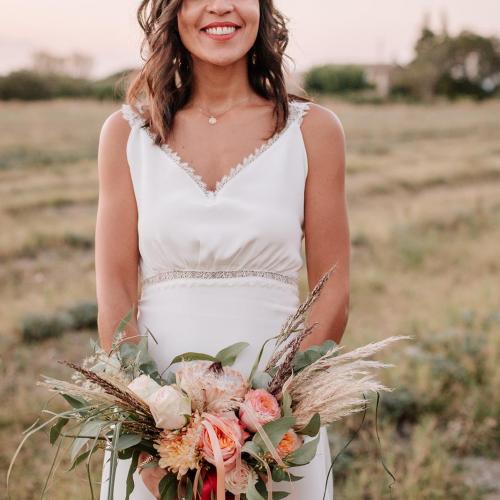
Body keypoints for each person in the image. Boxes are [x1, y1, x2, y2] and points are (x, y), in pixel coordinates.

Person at [95, 0, 349, 498]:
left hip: (278, 428)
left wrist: (272, 420)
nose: (220, 7)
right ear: (172, 11)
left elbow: (333, 288)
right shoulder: (126, 134)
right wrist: (150, 430)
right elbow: (115, 292)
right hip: (155, 419)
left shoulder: (314, 131)